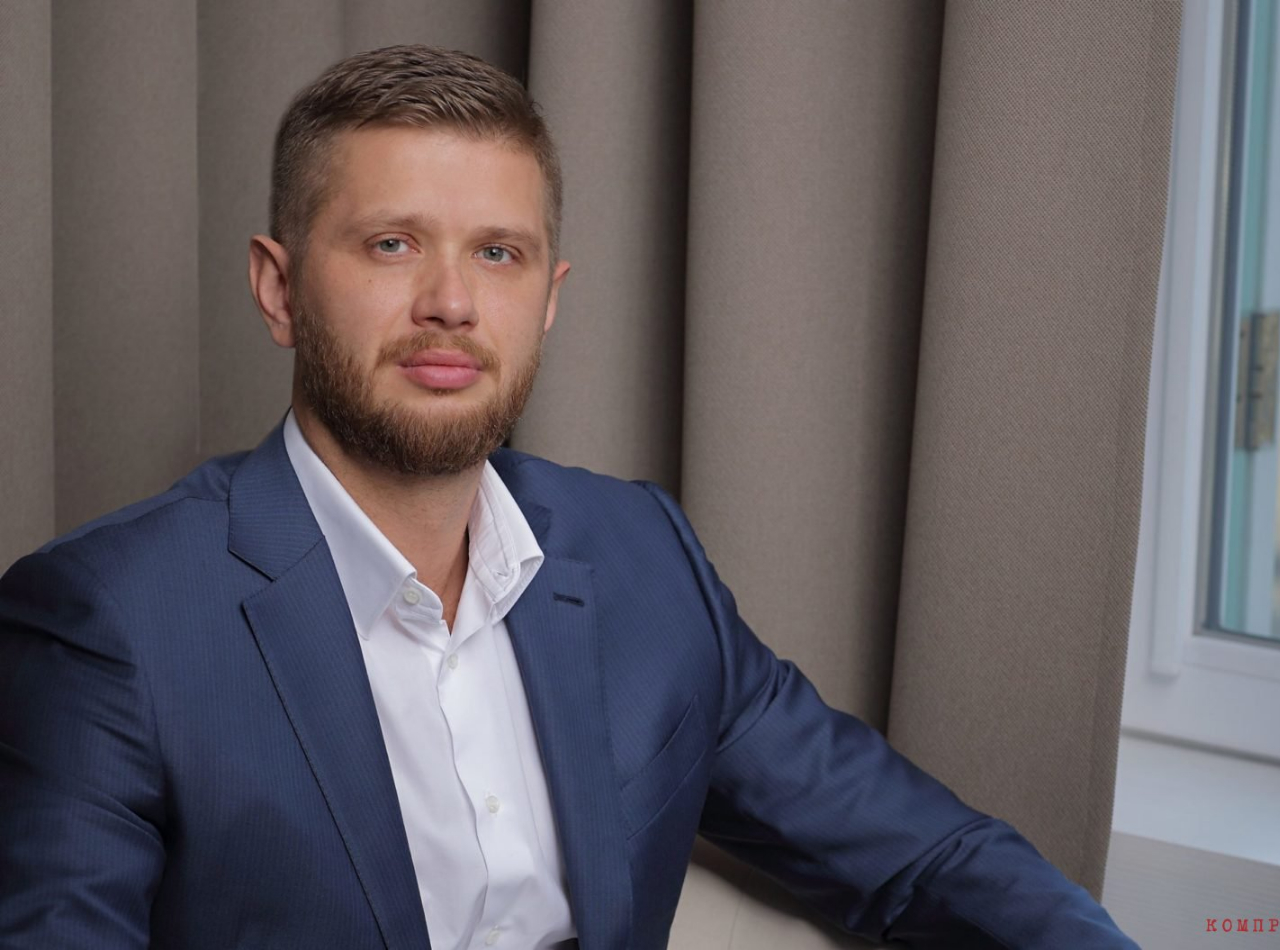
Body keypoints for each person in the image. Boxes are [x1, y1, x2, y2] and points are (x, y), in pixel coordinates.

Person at [0, 44, 1138, 950]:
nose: (451, 302)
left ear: (547, 299)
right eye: (392, 243)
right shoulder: (109, 623)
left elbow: (924, 853)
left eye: (498, 254)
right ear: (279, 288)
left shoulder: (644, 553)